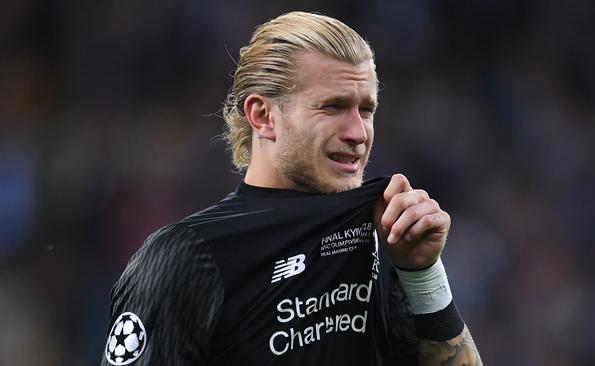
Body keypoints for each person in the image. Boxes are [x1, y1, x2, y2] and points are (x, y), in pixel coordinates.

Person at [102, 11, 482, 366]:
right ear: (263, 115)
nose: (358, 133)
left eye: (366, 110)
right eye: (333, 107)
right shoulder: (187, 257)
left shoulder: (379, 241)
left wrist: (423, 273)